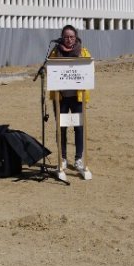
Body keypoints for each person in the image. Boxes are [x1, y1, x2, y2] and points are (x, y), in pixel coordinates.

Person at [48, 25, 92, 181]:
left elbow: (88, 70)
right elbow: (49, 71)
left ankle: (79, 159)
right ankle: (63, 158)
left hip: (77, 97)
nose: (69, 39)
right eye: (66, 37)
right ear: (61, 37)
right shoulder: (55, 53)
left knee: (79, 127)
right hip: (61, 98)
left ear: (76, 37)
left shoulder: (83, 52)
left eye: (72, 37)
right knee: (62, 128)